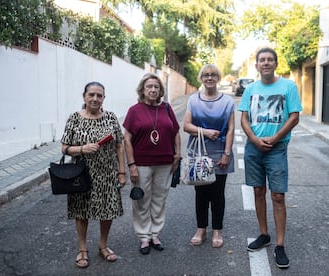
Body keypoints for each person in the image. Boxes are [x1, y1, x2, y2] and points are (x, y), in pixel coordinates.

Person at [238, 47, 303, 269]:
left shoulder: (288, 86)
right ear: (257, 65)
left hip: (276, 149)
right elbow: (244, 119)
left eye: (269, 59)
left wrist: (274, 138)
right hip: (254, 148)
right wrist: (255, 140)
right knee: (258, 191)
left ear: (275, 64)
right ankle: (264, 234)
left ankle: (280, 245)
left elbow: (294, 117)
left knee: (277, 195)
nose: (265, 63)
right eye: (262, 60)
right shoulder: (250, 89)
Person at [60, 81, 127, 268]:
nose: (95, 98)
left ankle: (103, 246)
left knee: (108, 210)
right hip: (81, 175)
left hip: (107, 174)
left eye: (99, 95)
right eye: (91, 95)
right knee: (82, 211)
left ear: (104, 98)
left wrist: (122, 172)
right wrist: (82, 148)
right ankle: (82, 249)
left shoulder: (111, 118)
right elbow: (64, 147)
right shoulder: (74, 118)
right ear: (84, 97)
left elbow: (119, 145)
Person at [123, 73, 181, 255]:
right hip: (141, 163)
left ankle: (155, 234)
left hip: (165, 162)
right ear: (143, 89)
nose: (153, 90)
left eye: (156, 87)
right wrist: (131, 165)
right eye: (149, 86)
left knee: (159, 199)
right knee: (142, 200)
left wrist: (177, 154)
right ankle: (143, 237)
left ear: (160, 90)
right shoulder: (134, 110)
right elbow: (127, 139)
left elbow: (176, 132)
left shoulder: (167, 108)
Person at [183, 64, 235, 248]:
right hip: (198, 153)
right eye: (205, 75)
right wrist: (205, 132)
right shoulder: (193, 100)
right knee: (201, 193)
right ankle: (201, 229)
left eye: (213, 74)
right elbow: (186, 125)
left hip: (220, 152)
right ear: (201, 78)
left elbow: (230, 129)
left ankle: (217, 230)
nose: (209, 77)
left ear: (218, 77)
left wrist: (227, 153)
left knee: (218, 194)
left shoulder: (227, 101)